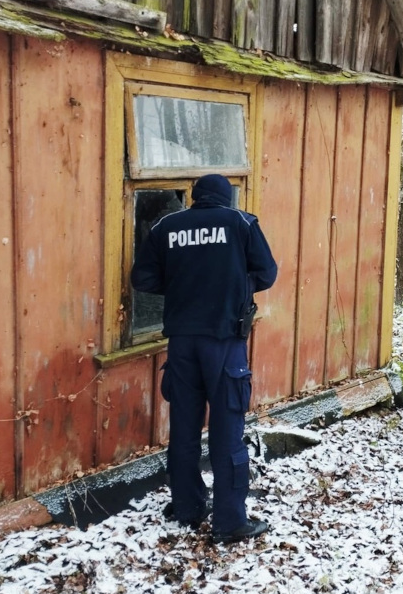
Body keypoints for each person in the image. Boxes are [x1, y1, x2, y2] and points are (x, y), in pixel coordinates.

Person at [131, 173, 277, 544]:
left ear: (194, 197)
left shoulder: (168, 225)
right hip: (224, 343)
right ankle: (229, 523)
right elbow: (267, 273)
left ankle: (187, 507)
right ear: (226, 198)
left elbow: (143, 278)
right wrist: (232, 285)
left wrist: (182, 282)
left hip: (181, 344)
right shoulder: (241, 222)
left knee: (184, 428)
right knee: (228, 433)